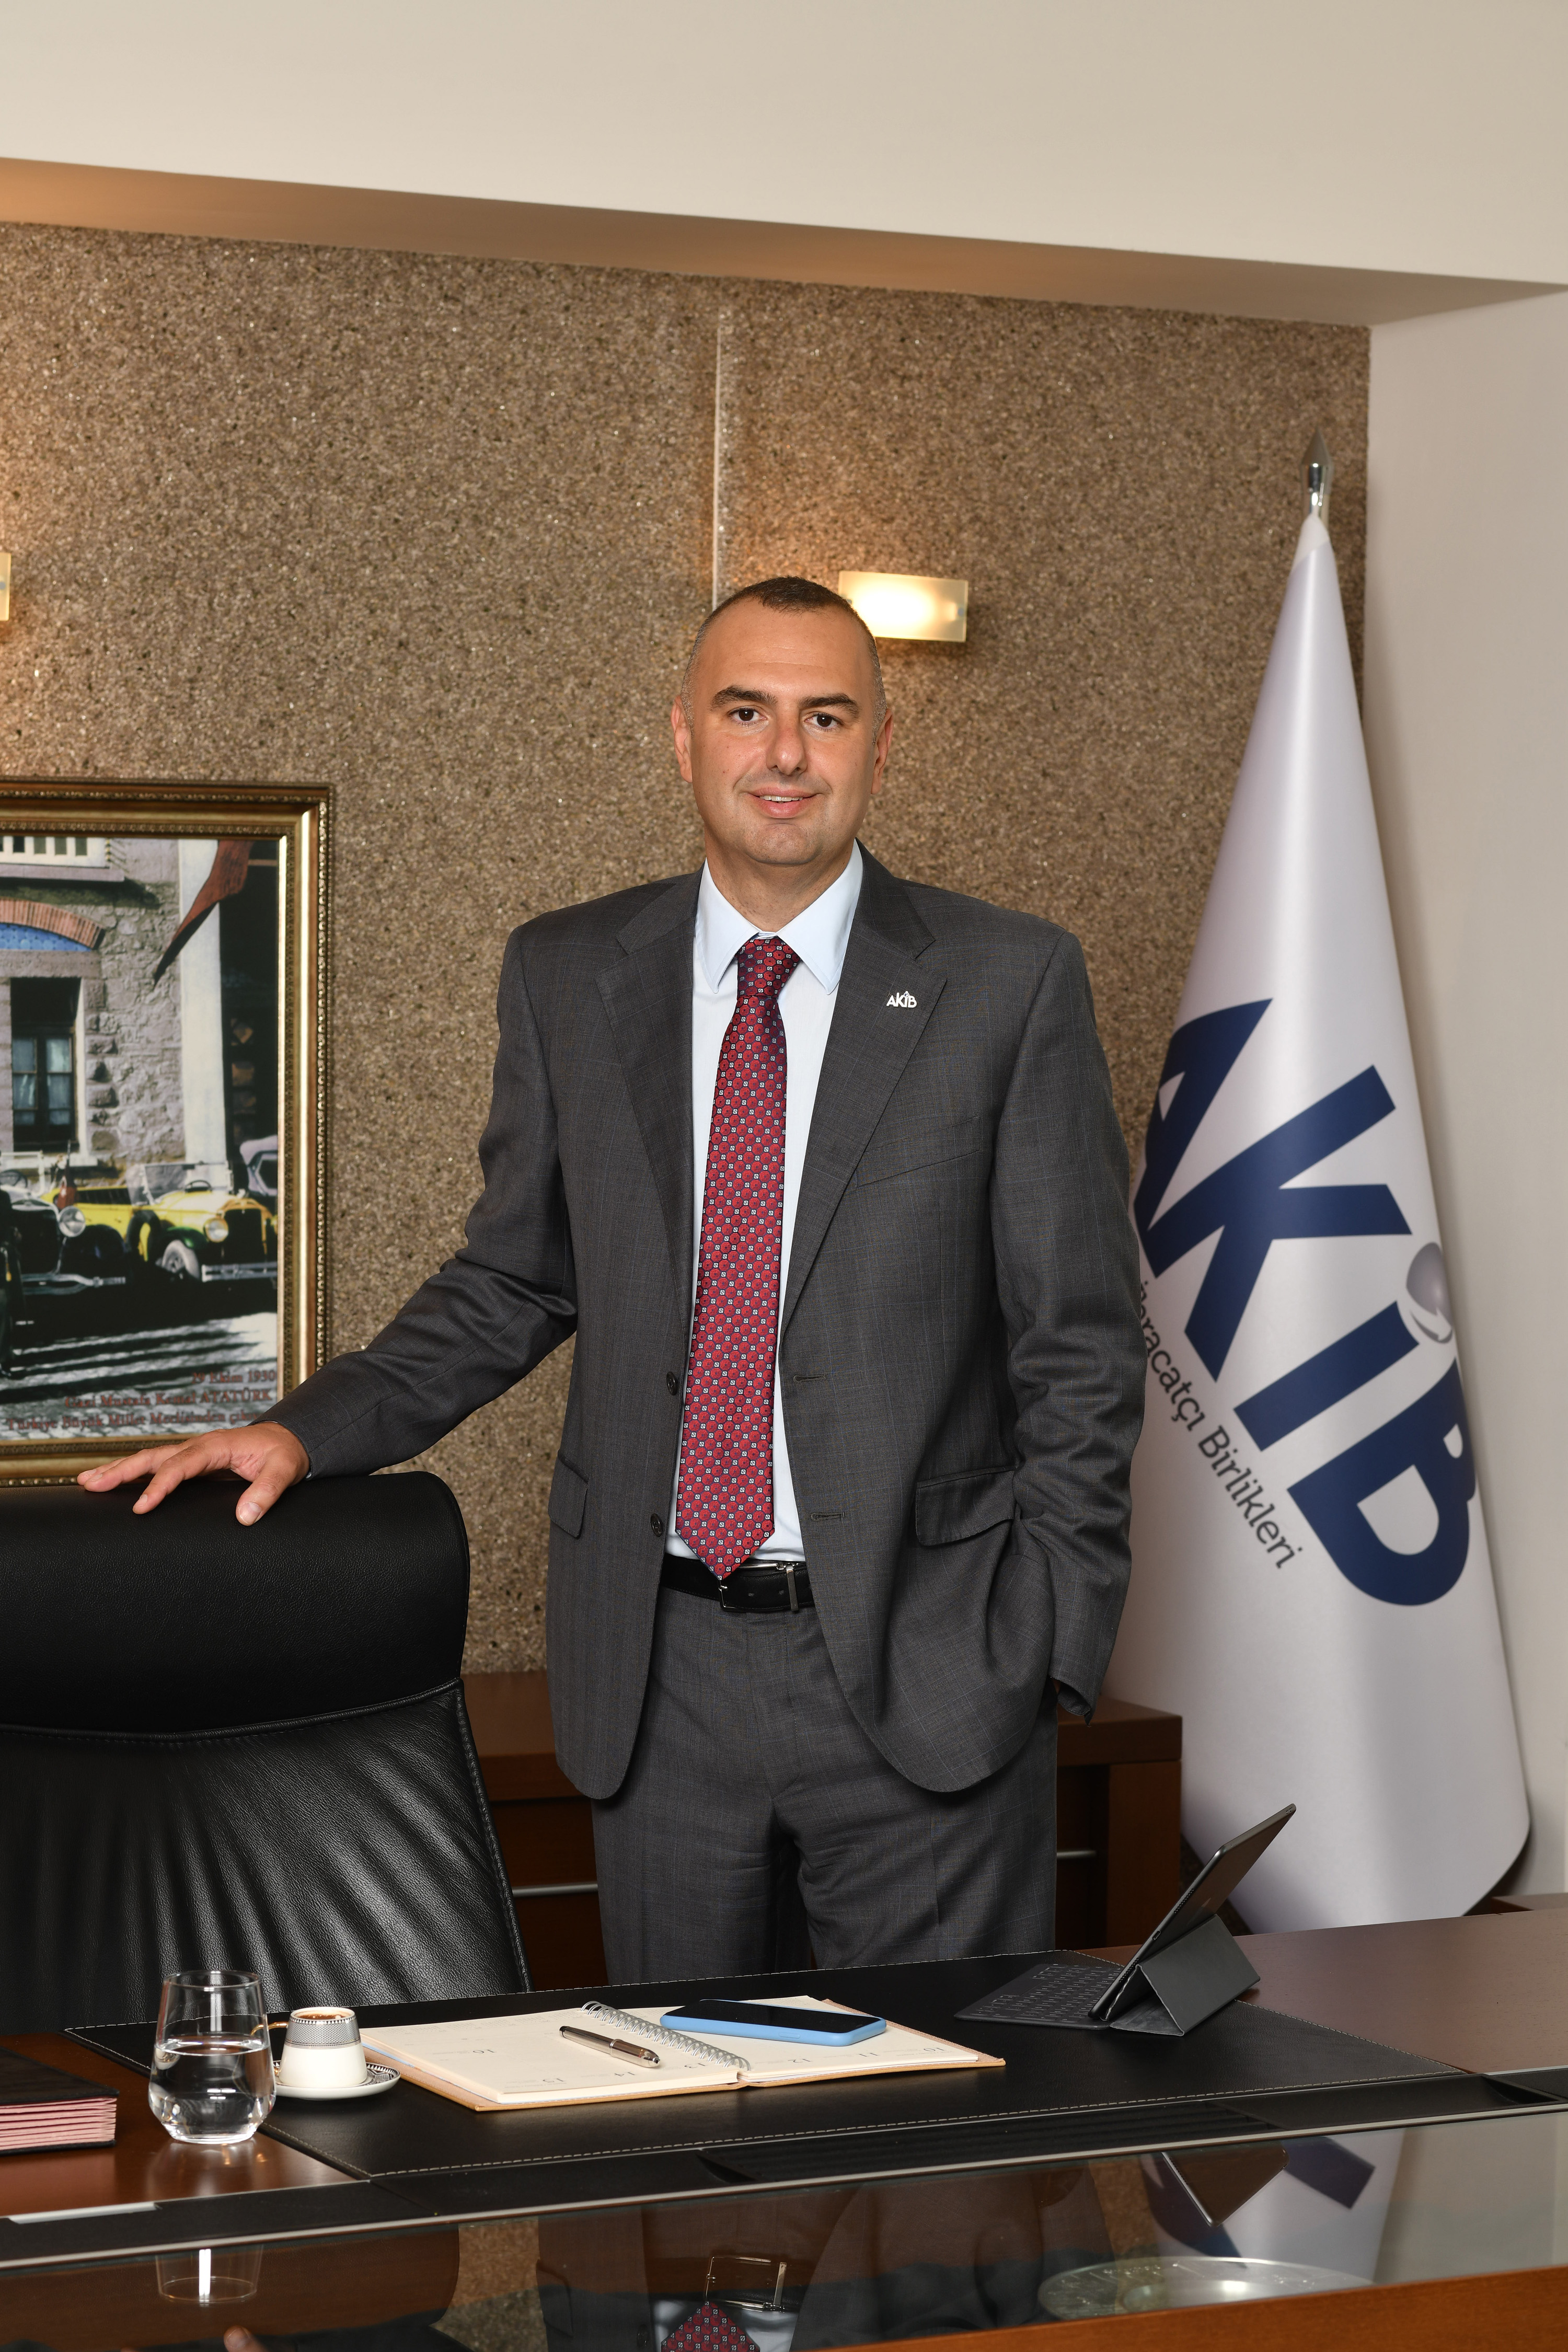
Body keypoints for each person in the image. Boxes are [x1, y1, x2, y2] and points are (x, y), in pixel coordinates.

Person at [82, 576, 1145, 1980]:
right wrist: (303, 1431)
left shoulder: (1009, 981)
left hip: (932, 1666)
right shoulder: (570, 973)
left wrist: (1048, 1638)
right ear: (683, 736)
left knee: (939, 2105)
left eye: (827, 717)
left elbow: (1081, 1340)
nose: (785, 752)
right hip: (658, 1674)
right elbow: (511, 1281)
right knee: (675, 2100)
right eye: (746, 712)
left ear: (882, 747)